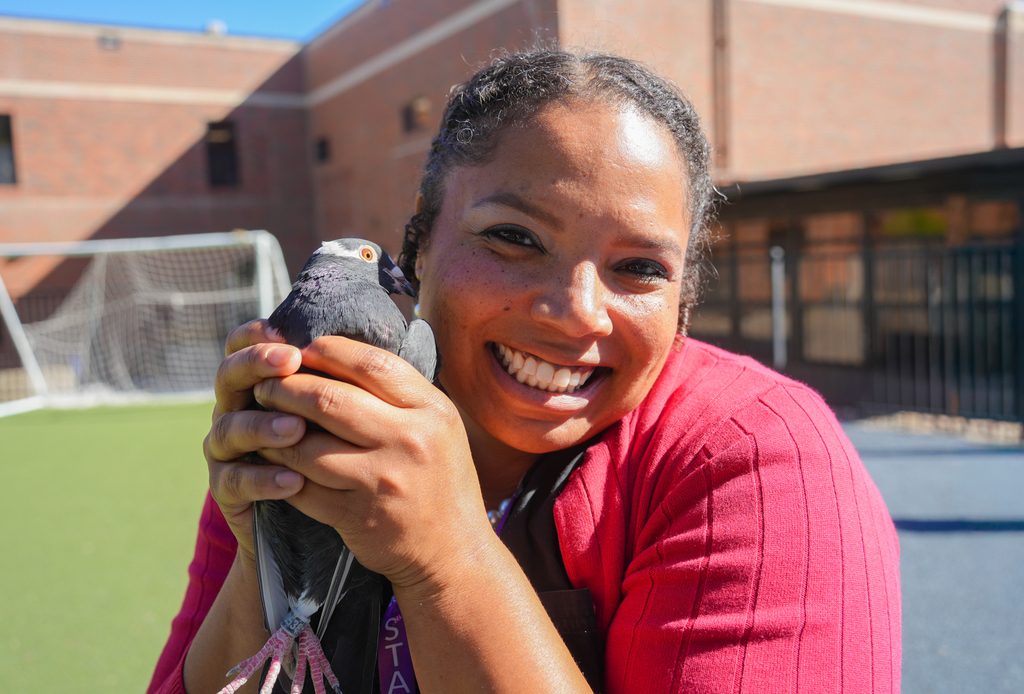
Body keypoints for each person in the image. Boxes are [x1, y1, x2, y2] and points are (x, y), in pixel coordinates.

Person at [149, 48, 901, 694]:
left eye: (638, 267)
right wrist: (269, 552)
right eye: (514, 237)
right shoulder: (324, 417)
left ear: (685, 294)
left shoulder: (757, 457)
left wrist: (446, 559)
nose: (576, 312)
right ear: (422, 236)